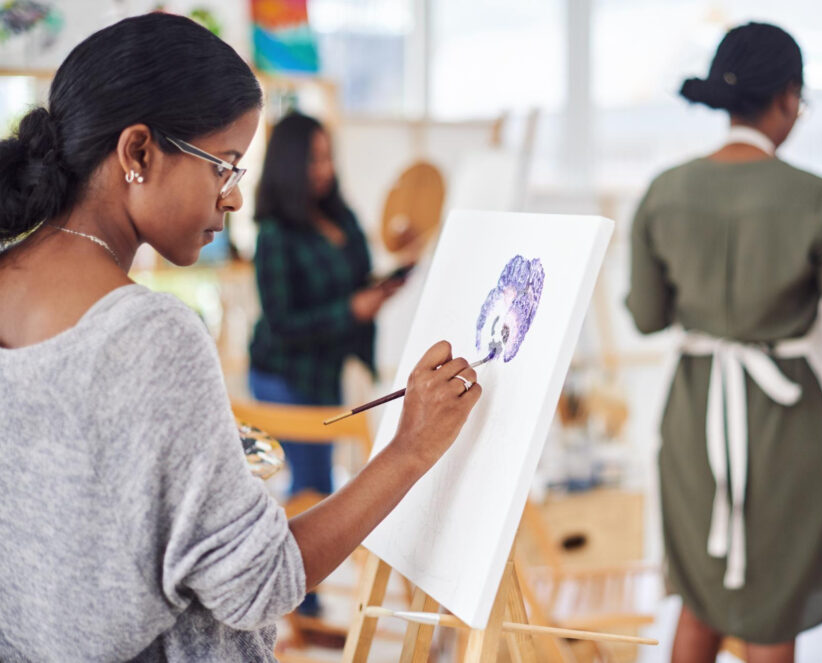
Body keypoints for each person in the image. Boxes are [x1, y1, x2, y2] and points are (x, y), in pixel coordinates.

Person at [0, 13, 480, 662]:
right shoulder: (151, 334)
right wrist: (410, 449)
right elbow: (262, 581)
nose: (232, 200)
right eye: (223, 166)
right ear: (138, 152)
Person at [626, 23, 822, 663]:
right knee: (771, 621)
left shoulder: (664, 192)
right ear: (786, 97)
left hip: (693, 424)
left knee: (698, 601)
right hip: (788, 430)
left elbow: (646, 316)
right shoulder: (818, 200)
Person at [247, 112, 399, 615]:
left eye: (328, 155)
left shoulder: (340, 216)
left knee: (319, 486)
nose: (325, 168)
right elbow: (284, 322)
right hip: (283, 374)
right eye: (313, 158)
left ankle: (304, 606)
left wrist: (385, 284)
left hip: (326, 371)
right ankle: (300, 609)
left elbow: (357, 278)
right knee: (311, 492)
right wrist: (352, 309)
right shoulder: (274, 233)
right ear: (289, 164)